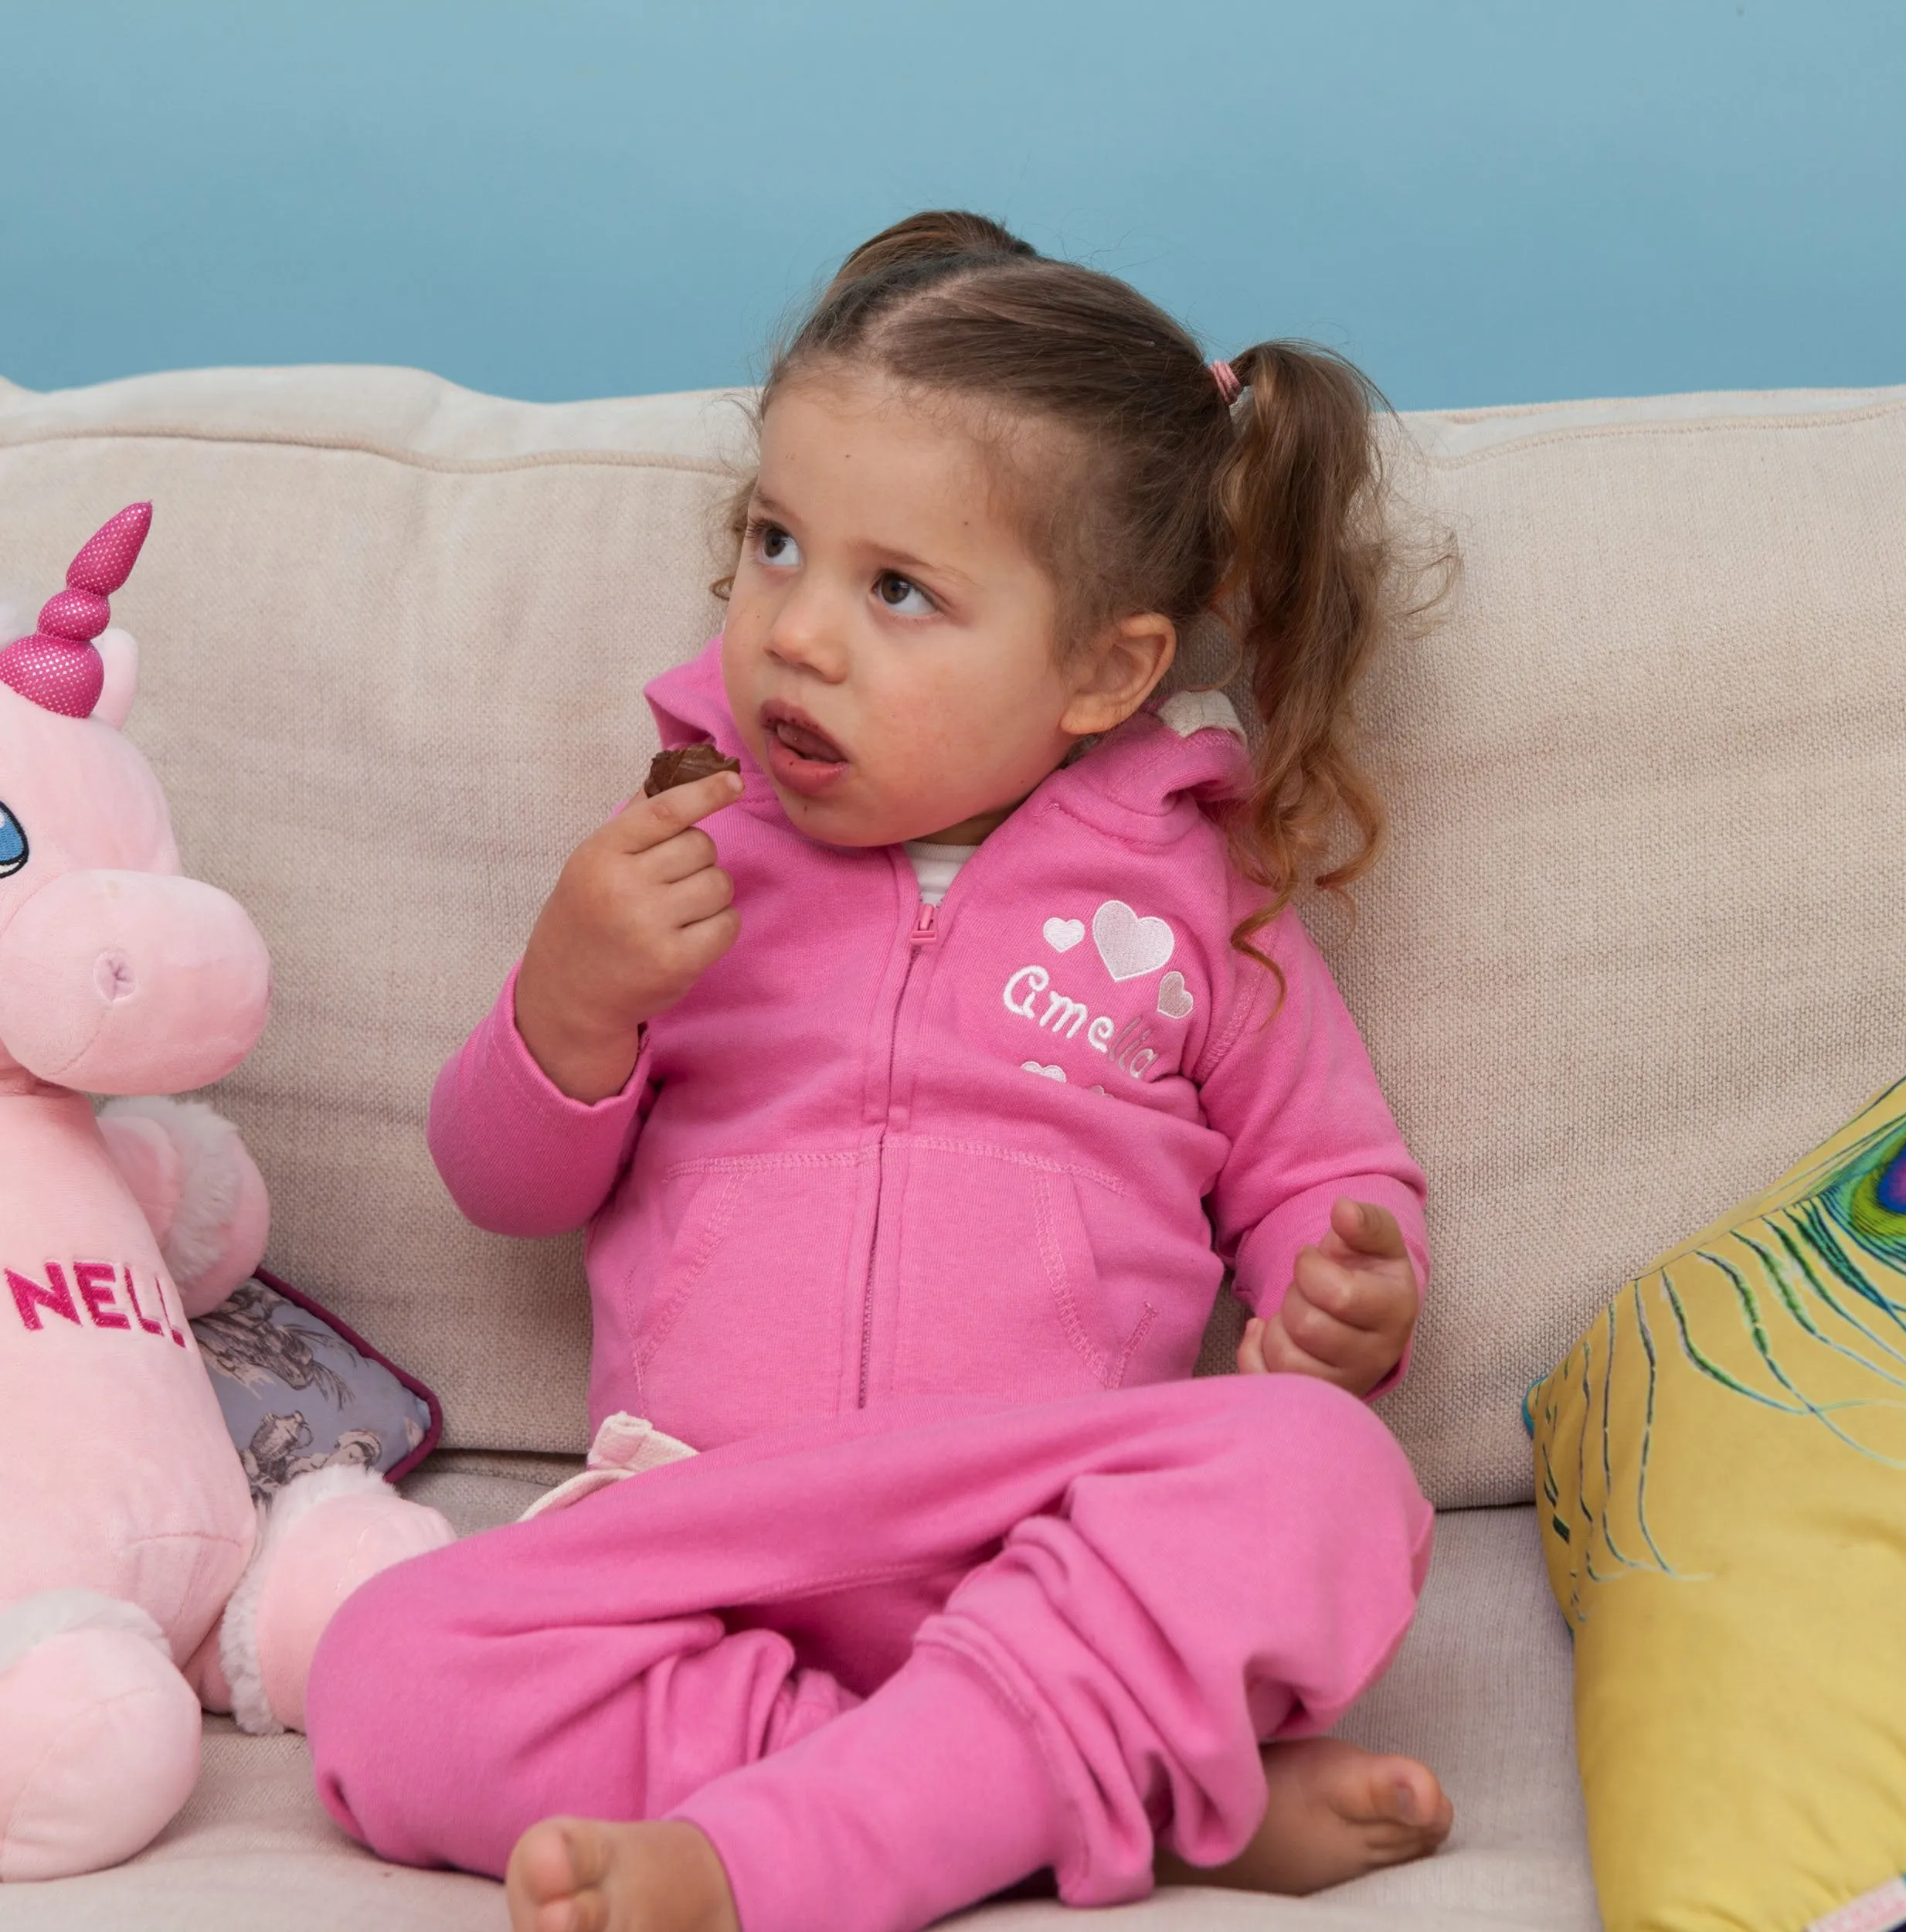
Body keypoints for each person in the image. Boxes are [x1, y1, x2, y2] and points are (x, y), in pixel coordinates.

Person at [304, 210, 1456, 1932]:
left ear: (1103, 669)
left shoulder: (1203, 900)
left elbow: (1322, 1171)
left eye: (896, 588)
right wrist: (570, 999)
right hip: (709, 1535)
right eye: (775, 543)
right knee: (385, 1669)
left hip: (1041, 1523)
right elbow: (502, 1185)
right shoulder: (680, 848)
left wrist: (1342, 1282)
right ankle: (1074, 1799)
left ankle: (780, 1847)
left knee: (1320, 1473)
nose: (800, 634)